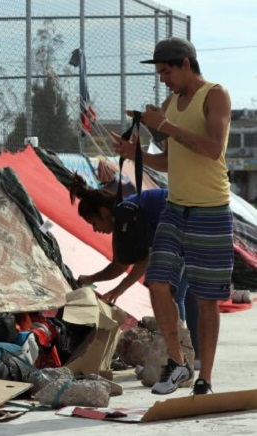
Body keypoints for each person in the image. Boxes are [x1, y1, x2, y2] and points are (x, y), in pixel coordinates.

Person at [111, 37, 233, 396]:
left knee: (206, 298)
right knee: (157, 282)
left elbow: (212, 149)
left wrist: (163, 126)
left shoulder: (215, 95)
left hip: (211, 209)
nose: (163, 79)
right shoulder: (169, 105)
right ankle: (178, 363)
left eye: (166, 71)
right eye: (160, 73)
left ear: (185, 63)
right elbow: (170, 160)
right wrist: (135, 153)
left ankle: (204, 378)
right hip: (175, 208)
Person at [68, 176, 200, 363]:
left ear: (104, 211)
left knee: (174, 295)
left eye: (94, 223)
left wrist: (115, 289)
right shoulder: (123, 217)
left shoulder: (126, 218)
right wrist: (90, 279)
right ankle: (192, 355)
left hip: (188, 227)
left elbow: (140, 262)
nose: (95, 230)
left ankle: (182, 357)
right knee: (186, 294)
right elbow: (120, 265)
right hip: (191, 223)